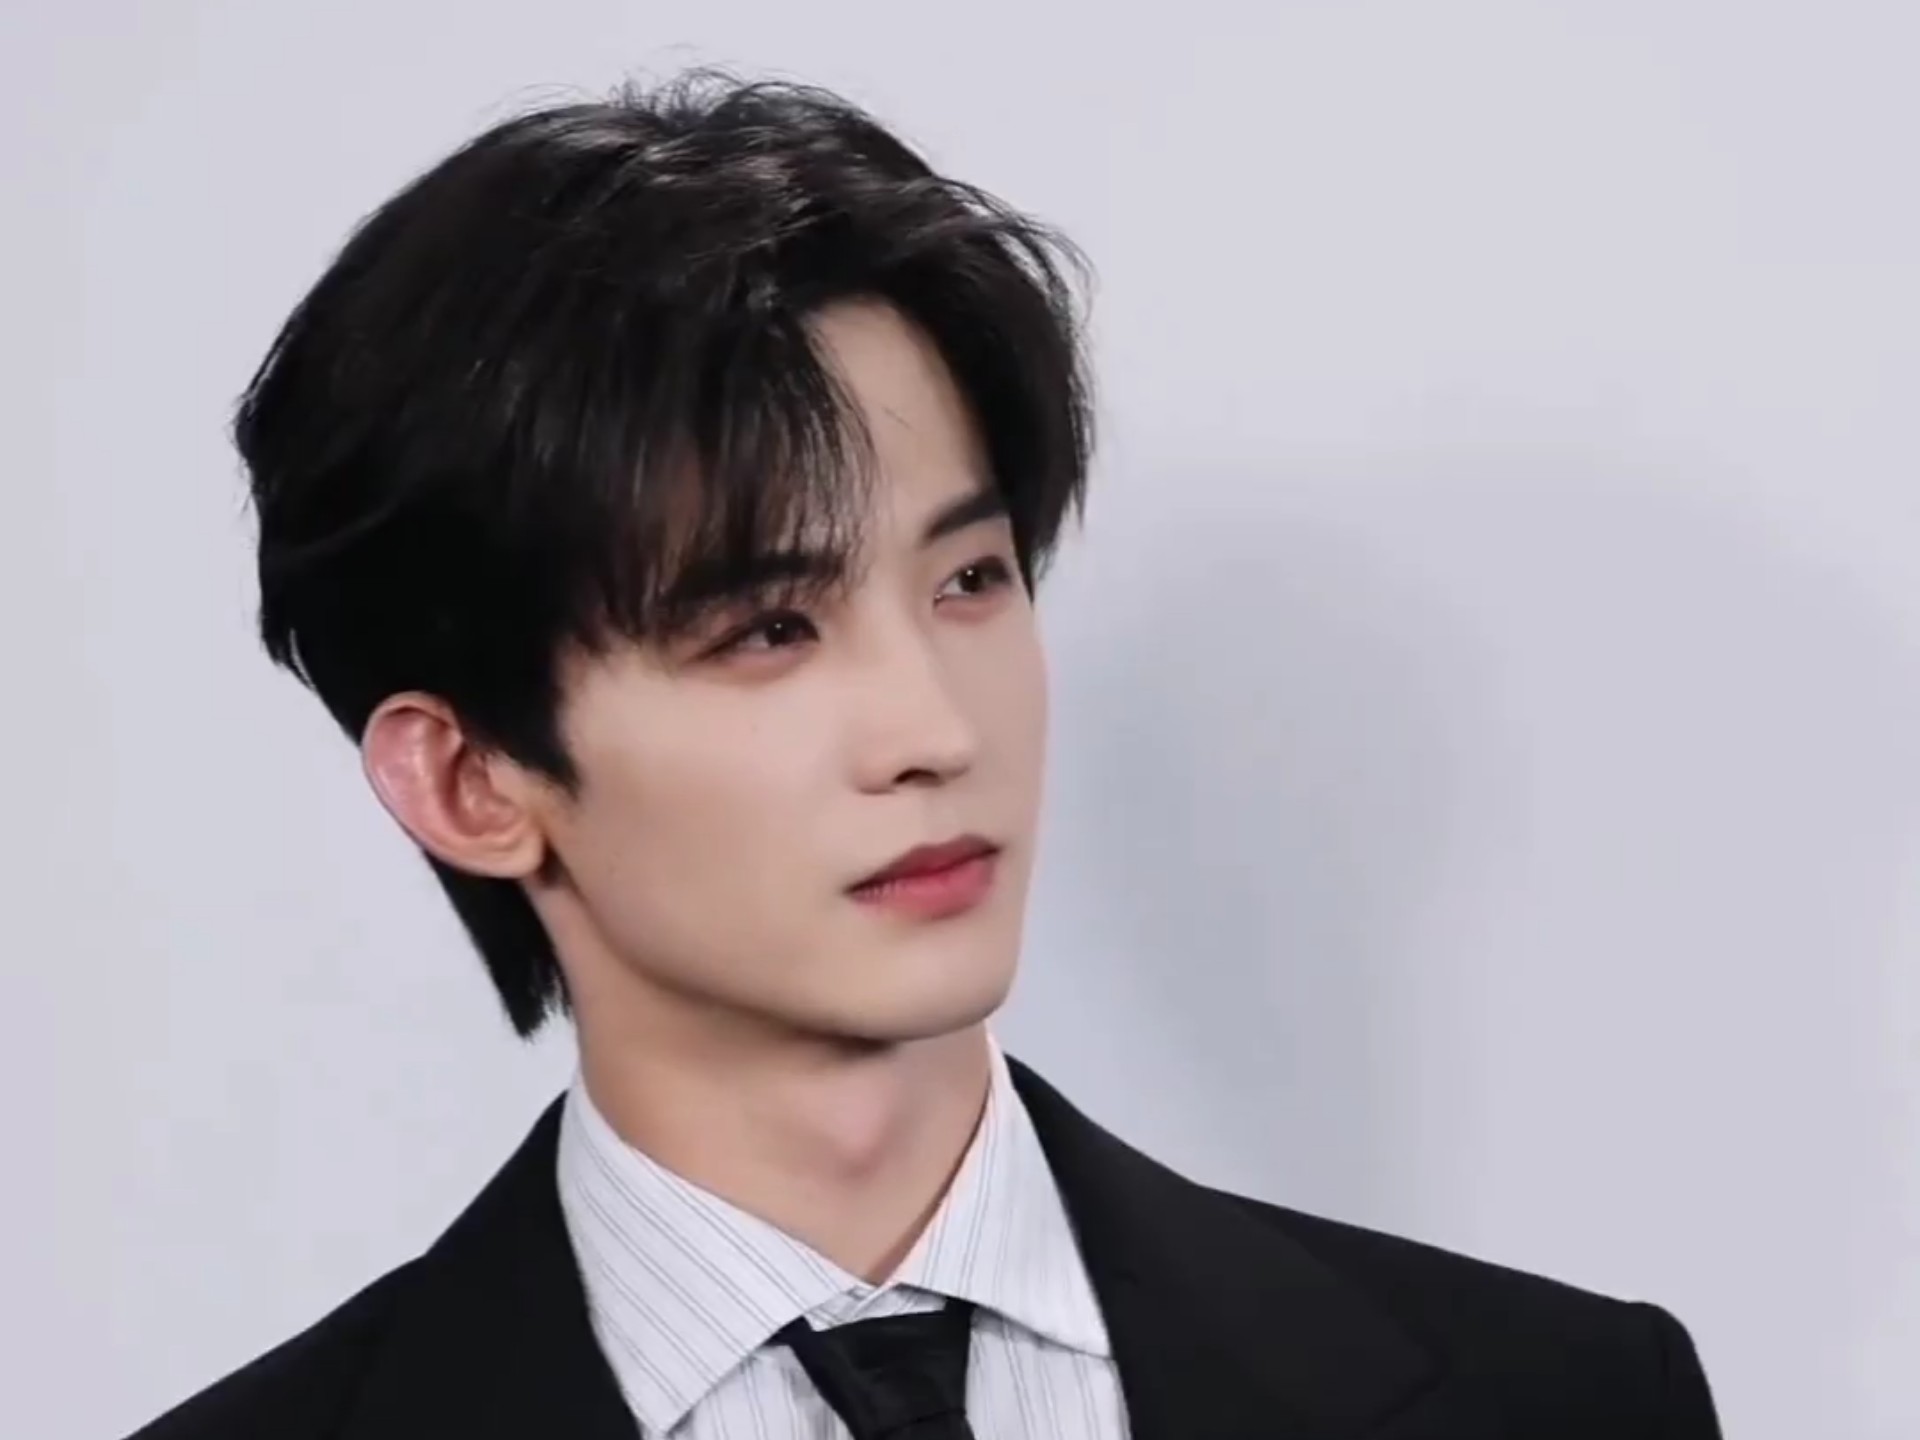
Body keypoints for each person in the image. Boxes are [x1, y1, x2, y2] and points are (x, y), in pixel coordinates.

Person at [130, 70, 1721, 1440]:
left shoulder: (1563, 1399)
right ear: (472, 783)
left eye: (969, 581)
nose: (938, 733)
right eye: (767, 629)